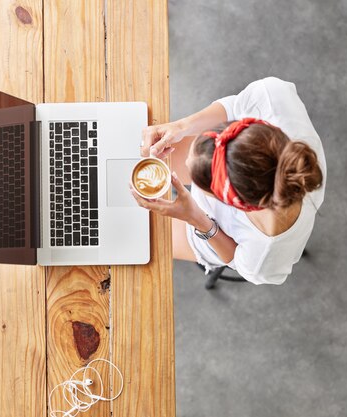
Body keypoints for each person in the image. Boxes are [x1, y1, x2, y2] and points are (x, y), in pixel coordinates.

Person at [130, 77, 327, 285]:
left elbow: (235, 259)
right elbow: (235, 106)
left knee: (136, 235)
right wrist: (181, 126)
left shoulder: (265, 254)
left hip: (210, 230)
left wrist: (196, 218)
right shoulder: (272, 100)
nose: (186, 161)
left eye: (196, 177)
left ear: (229, 202)